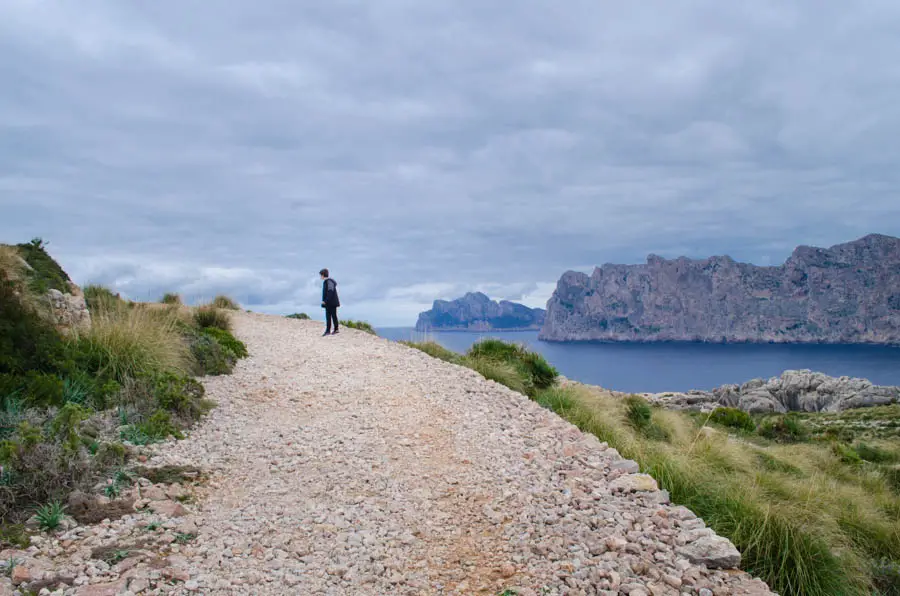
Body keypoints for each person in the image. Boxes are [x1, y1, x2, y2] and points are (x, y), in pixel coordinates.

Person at [319, 268, 340, 336]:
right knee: (330, 316)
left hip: (331, 303)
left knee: (332, 316)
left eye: (321, 275)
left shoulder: (328, 281)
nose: (320, 277)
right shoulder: (327, 282)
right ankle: (329, 330)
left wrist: (325, 301)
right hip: (331, 303)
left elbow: (330, 291)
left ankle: (333, 330)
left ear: (323, 275)